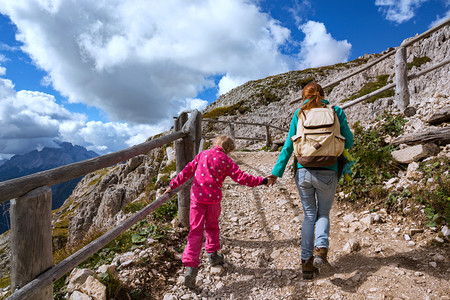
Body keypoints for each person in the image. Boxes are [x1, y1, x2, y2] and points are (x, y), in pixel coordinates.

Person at [267, 82, 353, 279]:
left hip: (304, 171)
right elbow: (349, 141)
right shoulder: (336, 111)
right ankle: (321, 249)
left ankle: (306, 265)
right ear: (323, 95)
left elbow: (288, 147)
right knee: (323, 213)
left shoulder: (299, 114)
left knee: (308, 215)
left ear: (303, 96)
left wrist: (275, 173)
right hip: (328, 171)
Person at [164, 135, 273, 288]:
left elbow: (187, 170)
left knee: (195, 231)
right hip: (214, 200)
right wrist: (262, 180)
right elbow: (242, 178)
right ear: (229, 150)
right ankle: (213, 255)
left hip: (197, 199)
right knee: (212, 227)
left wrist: (173, 185)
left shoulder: (202, 155)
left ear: (215, 143)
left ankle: (190, 268)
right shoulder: (227, 160)